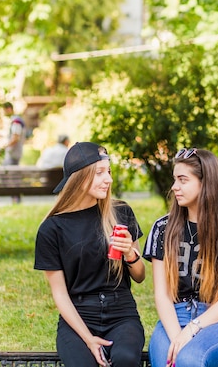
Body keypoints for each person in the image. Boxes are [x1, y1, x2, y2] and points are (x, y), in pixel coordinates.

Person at [34, 142, 145, 367]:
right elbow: (60, 294)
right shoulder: (52, 229)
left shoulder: (120, 213)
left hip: (121, 313)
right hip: (78, 315)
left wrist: (130, 255)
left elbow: (140, 276)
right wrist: (88, 339)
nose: (109, 179)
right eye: (100, 173)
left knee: (126, 359)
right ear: (79, 178)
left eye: (109, 172)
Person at [143, 148, 218, 367]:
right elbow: (162, 294)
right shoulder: (163, 228)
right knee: (168, 361)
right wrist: (177, 336)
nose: (174, 186)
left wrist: (192, 330)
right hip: (173, 316)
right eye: (175, 179)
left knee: (189, 359)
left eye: (183, 180)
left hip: (217, 319)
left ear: (206, 183)